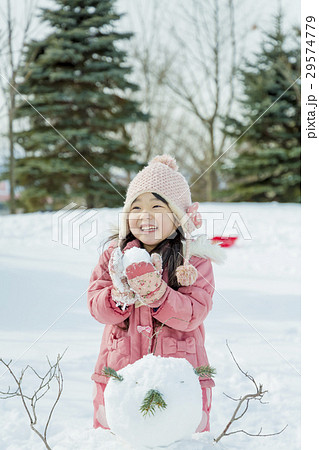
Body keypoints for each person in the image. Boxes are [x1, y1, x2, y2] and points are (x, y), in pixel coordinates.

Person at [87, 154, 225, 433]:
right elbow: (95, 304)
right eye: (135, 208)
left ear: (177, 216)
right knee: (119, 439)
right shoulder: (113, 256)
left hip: (178, 379)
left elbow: (194, 313)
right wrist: (119, 296)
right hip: (120, 375)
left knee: (179, 438)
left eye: (156, 207)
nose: (144, 216)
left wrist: (157, 293)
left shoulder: (193, 259)